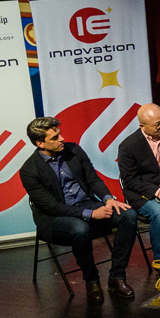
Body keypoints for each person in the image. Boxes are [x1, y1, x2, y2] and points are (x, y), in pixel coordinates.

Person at [20, 117, 138, 303]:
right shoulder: (29, 170)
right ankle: (91, 280)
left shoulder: (74, 150)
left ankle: (117, 277)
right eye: (55, 138)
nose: (62, 139)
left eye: (59, 134)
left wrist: (108, 200)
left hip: (86, 204)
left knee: (128, 215)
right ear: (40, 143)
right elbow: (51, 206)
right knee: (80, 228)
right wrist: (91, 214)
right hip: (55, 218)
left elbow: (92, 179)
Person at [115, 104, 160, 262]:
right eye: (158, 124)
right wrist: (158, 192)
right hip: (144, 193)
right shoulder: (128, 146)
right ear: (142, 126)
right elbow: (130, 180)